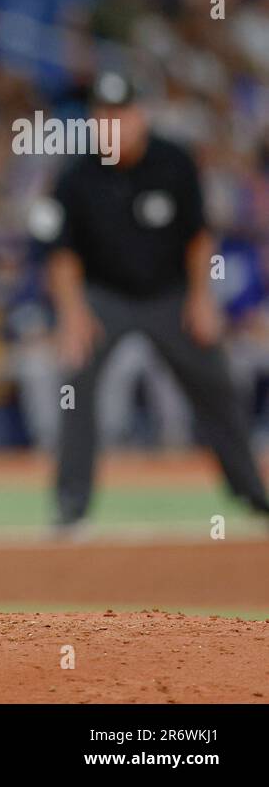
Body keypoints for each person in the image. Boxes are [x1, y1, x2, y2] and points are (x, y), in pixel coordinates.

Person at [41, 70, 269, 530]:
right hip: (104, 296)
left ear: (140, 115)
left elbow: (199, 236)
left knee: (216, 386)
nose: (113, 124)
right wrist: (72, 316)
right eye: (103, 115)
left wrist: (203, 299)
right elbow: (61, 254)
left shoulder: (174, 161)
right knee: (75, 382)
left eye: (121, 114)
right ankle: (72, 506)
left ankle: (252, 493)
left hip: (171, 295)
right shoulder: (76, 175)